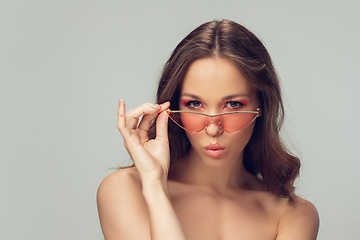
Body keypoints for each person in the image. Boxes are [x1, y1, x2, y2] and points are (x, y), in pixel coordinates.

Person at [97, 19, 319, 240]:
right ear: (173, 107)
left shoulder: (294, 214)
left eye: (233, 105)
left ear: (261, 107)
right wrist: (155, 186)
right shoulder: (125, 190)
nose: (213, 128)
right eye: (194, 104)